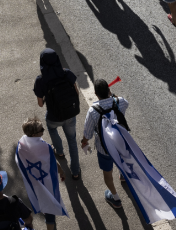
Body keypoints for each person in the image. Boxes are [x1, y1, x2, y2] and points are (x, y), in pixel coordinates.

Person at [16, 116, 68, 230]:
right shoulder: (44, 146)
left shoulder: (21, 146)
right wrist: (61, 171)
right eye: (41, 129)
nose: (43, 130)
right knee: (49, 208)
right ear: (34, 134)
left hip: (34, 183)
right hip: (46, 182)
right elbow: (51, 161)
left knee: (44, 204)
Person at [33, 48, 83, 180]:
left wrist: (46, 98)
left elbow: (40, 104)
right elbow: (76, 93)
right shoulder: (67, 73)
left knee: (52, 128)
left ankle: (59, 152)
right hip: (70, 114)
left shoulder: (41, 80)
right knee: (72, 141)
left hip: (54, 116)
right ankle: (75, 171)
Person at [81, 79, 129, 208]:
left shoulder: (93, 111)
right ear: (109, 90)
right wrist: (113, 97)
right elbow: (125, 102)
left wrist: (84, 141)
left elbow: (88, 133)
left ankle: (115, 198)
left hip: (104, 148)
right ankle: (123, 176)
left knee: (107, 174)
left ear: (96, 94)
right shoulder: (120, 102)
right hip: (120, 143)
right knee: (122, 160)